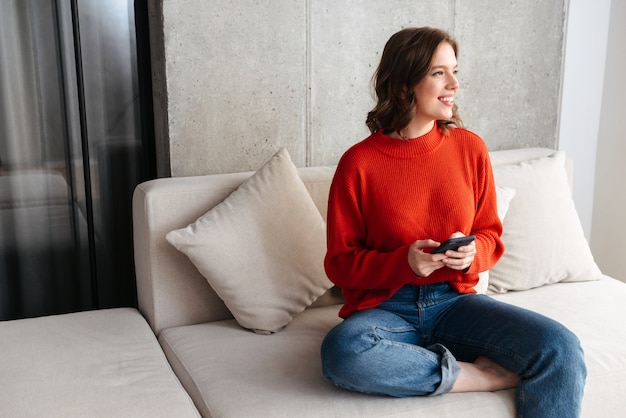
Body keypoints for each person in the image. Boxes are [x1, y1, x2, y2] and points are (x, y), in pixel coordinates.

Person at [320, 27, 586, 417]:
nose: (454, 85)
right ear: (405, 85)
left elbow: (491, 236)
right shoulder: (359, 163)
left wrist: (472, 253)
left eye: (455, 71)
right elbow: (339, 264)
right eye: (439, 73)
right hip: (385, 310)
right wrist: (403, 263)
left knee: (559, 347)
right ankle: (478, 377)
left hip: (455, 303)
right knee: (343, 353)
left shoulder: (470, 148)